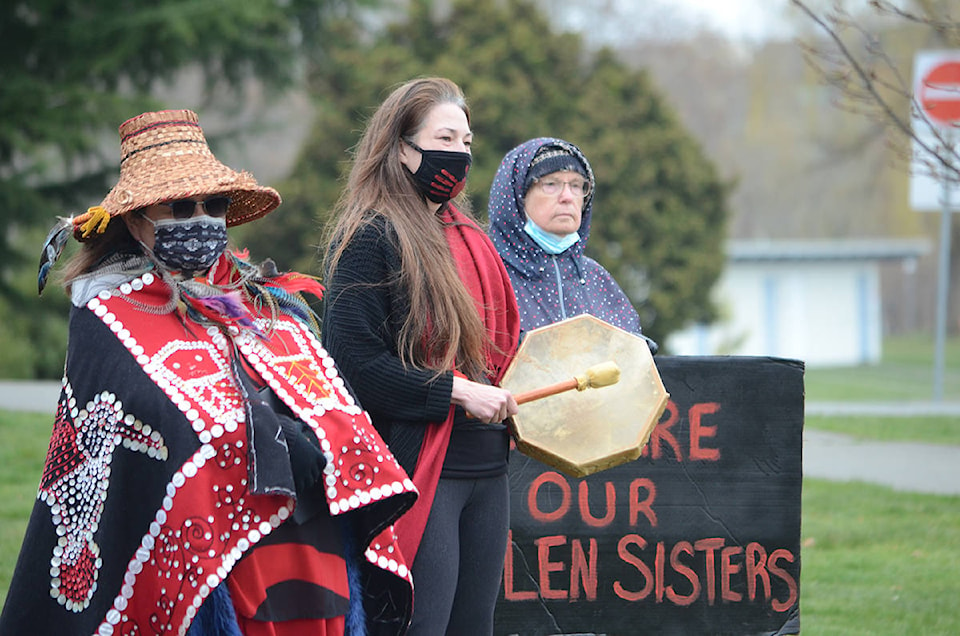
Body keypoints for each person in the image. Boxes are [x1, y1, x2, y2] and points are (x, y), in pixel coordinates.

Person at [0, 109, 417, 636]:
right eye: (180, 207)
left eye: (212, 205)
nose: (200, 218)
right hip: (211, 553)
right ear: (136, 219)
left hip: (310, 535)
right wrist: (265, 436)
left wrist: (313, 432)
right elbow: (157, 417)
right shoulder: (109, 311)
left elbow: (333, 402)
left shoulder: (264, 305)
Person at [320, 77, 520, 635]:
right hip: (422, 471)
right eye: (444, 139)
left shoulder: (470, 235)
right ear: (403, 148)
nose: (458, 154)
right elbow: (354, 365)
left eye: (466, 141)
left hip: (489, 468)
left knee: (472, 628)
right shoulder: (369, 237)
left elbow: (502, 353)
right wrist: (456, 390)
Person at [487, 137, 658, 352]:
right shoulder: (488, 274)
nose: (567, 197)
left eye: (577, 185)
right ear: (517, 196)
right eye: (551, 184)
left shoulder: (597, 279)